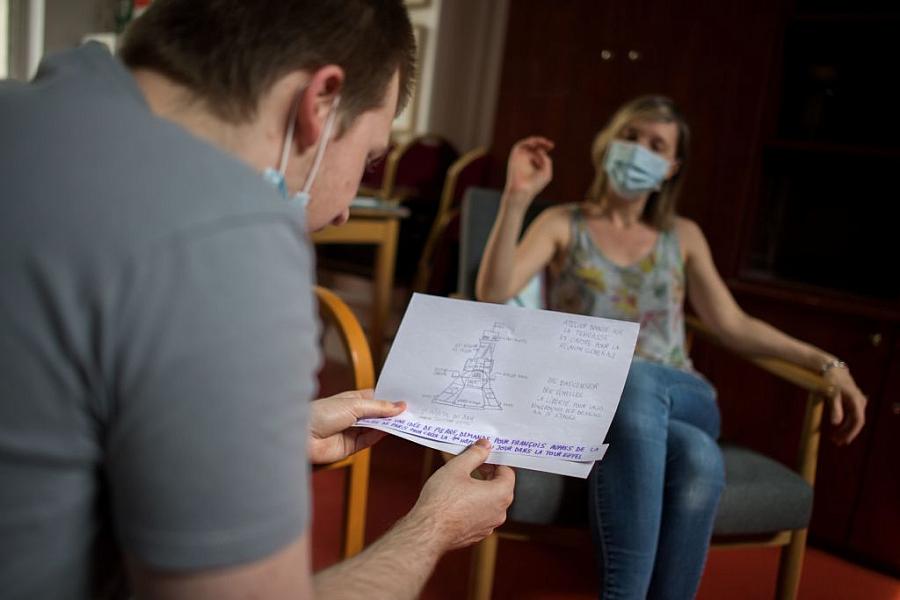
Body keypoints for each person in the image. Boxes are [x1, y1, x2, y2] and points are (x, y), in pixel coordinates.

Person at [0, 1, 514, 599]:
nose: (347, 206)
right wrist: (433, 527)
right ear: (321, 100)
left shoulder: (29, 111)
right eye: (369, 157)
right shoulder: (225, 233)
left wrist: (262, 430)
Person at [476, 95, 866, 599]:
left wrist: (825, 362)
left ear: (670, 168)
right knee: (699, 459)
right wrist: (516, 197)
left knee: (636, 376)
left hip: (682, 395)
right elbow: (493, 289)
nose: (638, 150)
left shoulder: (682, 236)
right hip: (588, 404)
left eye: (655, 145)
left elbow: (733, 324)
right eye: (630, 136)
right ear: (605, 145)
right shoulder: (563, 224)